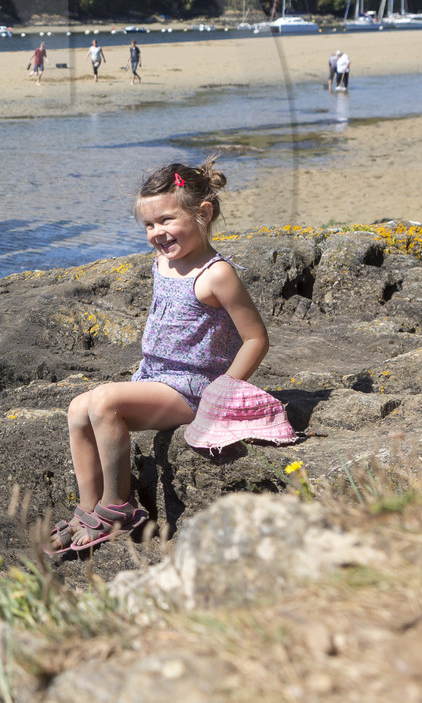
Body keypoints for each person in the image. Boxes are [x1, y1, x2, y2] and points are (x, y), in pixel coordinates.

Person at [47, 160, 270, 553]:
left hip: (194, 390)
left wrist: (224, 391)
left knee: (103, 401)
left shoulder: (216, 275)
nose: (157, 233)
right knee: (78, 409)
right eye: (149, 225)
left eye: (166, 220)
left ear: (203, 213)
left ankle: (119, 508)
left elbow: (255, 338)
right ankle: (88, 507)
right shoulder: (164, 261)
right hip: (155, 377)